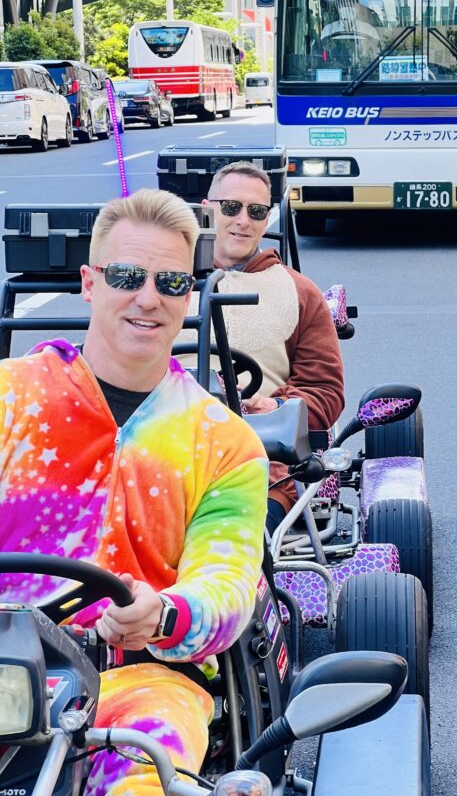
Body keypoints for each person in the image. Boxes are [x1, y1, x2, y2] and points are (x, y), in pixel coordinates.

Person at [0, 189, 268, 796]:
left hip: (141, 684)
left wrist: (165, 612)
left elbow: (226, 585)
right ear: (90, 283)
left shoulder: (225, 443)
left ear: (190, 295)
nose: (148, 298)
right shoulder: (10, 398)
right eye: (127, 276)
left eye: (171, 283)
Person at [199, 160, 344, 534]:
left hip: (257, 462)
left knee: (227, 537)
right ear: (206, 209)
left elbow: (326, 392)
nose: (242, 221)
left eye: (256, 211)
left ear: (267, 220)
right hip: (157, 453)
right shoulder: (164, 282)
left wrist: (275, 407)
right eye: (230, 208)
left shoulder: (299, 292)